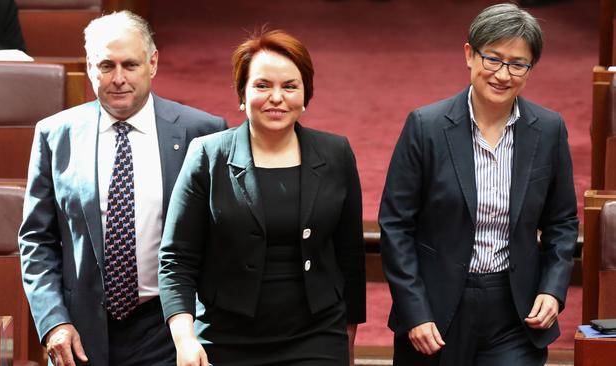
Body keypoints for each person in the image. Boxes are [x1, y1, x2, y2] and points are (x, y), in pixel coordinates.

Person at [18, 10, 227, 366]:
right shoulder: (56, 135)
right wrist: (54, 322)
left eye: (130, 65)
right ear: (89, 66)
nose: (118, 79)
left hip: (170, 328)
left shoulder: (201, 133)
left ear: (153, 63)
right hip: (80, 335)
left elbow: (220, 241)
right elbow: (37, 240)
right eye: (106, 66)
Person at [379, 3, 578, 366]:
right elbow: (395, 225)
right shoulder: (426, 127)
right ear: (469, 55)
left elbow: (562, 222)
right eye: (493, 59)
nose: (503, 74)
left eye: (517, 64)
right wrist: (415, 310)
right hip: (436, 311)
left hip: (513, 311)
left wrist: (552, 290)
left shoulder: (548, 130)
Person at [158, 29, 366, 366]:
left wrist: (348, 336)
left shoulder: (336, 153)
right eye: (262, 85)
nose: (276, 97)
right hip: (227, 334)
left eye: (289, 86)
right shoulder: (208, 155)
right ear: (242, 94)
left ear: (305, 94)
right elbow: (176, 259)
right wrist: (184, 338)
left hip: (316, 334)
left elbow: (350, 255)